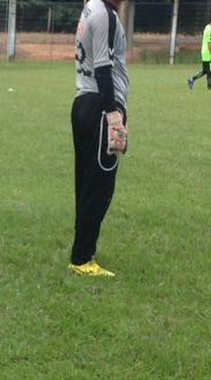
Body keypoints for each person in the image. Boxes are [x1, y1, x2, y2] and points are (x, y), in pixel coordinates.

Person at [70, 0, 129, 277]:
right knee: (100, 187)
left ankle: (83, 249)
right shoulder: (104, 13)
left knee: (86, 184)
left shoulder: (91, 7)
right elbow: (104, 69)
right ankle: (82, 257)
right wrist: (113, 115)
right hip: (99, 107)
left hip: (83, 102)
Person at [188, 12, 211, 90]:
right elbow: (209, 43)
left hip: (209, 53)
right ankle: (209, 89)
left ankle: (192, 79)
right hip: (208, 54)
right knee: (209, 71)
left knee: (206, 71)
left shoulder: (209, 27)